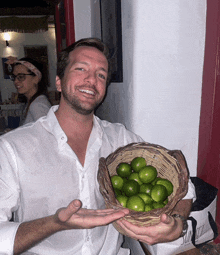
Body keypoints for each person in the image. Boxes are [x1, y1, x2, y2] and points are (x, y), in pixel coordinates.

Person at [0, 38, 195, 255]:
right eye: (81, 68)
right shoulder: (13, 148)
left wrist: (177, 222)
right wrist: (54, 223)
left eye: (101, 74)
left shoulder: (119, 138)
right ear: (58, 81)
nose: (91, 79)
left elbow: (184, 187)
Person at [8, 57, 51, 125]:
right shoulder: (31, 102)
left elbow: (47, 134)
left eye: (21, 76)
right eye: (14, 77)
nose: (15, 81)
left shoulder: (38, 105)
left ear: (36, 79)